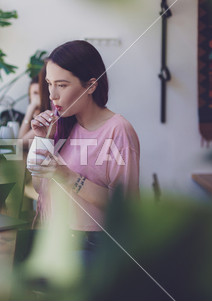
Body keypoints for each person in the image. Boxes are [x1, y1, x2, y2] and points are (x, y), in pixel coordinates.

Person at [29, 40, 140, 235]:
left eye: (62, 85)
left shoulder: (118, 131)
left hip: (93, 243)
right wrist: (42, 139)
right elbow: (39, 187)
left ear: (90, 86)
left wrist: (69, 177)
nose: (52, 95)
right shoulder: (62, 124)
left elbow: (124, 207)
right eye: (49, 84)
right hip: (55, 237)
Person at [18, 65, 51, 147]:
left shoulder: (46, 117)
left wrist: (30, 110)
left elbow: (20, 143)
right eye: (35, 93)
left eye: (40, 93)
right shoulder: (35, 115)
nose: (38, 98)